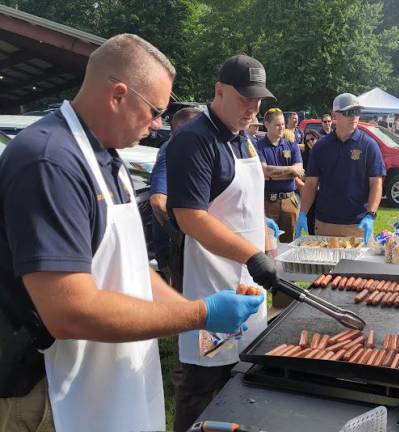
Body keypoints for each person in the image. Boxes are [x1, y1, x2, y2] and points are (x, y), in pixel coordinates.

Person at [0, 35, 265, 432]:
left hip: (105, 374)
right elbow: (68, 311)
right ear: (119, 95)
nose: (159, 123)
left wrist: (193, 309)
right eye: (156, 110)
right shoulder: (49, 161)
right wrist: (198, 314)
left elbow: (133, 270)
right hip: (49, 391)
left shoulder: (109, 157)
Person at [166, 54, 278, 432]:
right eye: (245, 97)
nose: (253, 107)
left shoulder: (245, 140)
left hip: (250, 283)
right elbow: (190, 217)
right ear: (219, 91)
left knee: (243, 381)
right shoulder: (194, 140)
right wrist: (253, 254)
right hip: (212, 289)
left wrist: (267, 239)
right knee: (202, 387)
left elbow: (249, 203)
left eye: (258, 99)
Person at [296, 93, 385, 244]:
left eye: (357, 112)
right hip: (325, 223)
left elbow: (376, 183)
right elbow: (311, 184)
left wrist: (371, 215)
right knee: (325, 268)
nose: (354, 116)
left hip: (357, 224)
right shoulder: (321, 146)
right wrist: (303, 213)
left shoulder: (369, 145)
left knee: (356, 268)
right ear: (335, 115)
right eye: (349, 112)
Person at [150, 107, 201, 290]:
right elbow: (157, 201)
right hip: (175, 251)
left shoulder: (186, 148)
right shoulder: (171, 150)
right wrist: (178, 236)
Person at [258, 107, 303, 244]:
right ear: (266, 125)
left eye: (283, 124)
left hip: (289, 201)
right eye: (277, 124)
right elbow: (264, 171)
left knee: (289, 243)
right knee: (266, 243)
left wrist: (273, 174)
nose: (281, 127)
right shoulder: (258, 146)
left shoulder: (291, 144)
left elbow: (299, 169)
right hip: (267, 202)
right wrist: (290, 170)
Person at [301, 129, 320, 234]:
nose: (310, 142)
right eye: (307, 141)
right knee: (311, 223)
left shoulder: (325, 153)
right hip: (309, 191)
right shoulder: (304, 156)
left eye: (312, 139)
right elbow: (301, 174)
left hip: (323, 193)